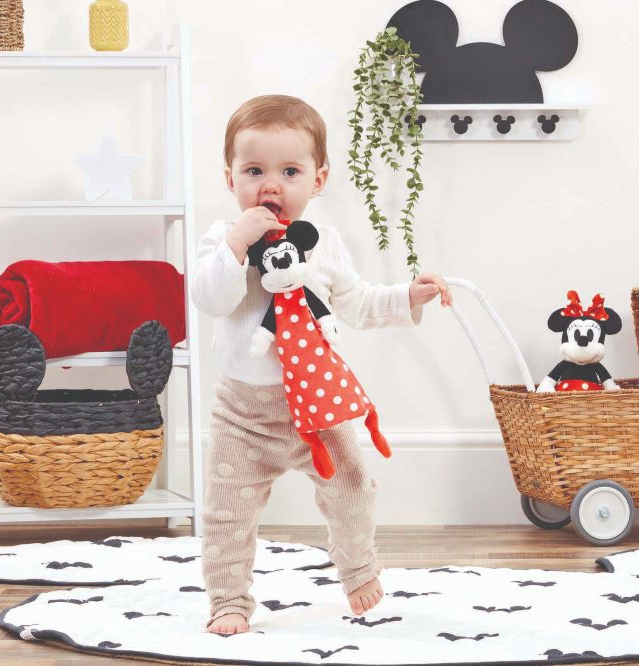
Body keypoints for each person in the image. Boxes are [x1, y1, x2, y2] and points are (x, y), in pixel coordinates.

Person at [192, 94, 451, 635]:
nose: (271, 185)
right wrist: (239, 243)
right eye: (254, 170)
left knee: (352, 489)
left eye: (290, 171)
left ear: (319, 179)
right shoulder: (222, 241)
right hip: (242, 413)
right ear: (230, 177)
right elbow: (212, 299)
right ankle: (229, 600)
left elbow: (358, 303)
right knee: (226, 514)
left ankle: (358, 567)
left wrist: (410, 296)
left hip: (318, 404)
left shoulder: (325, 246)